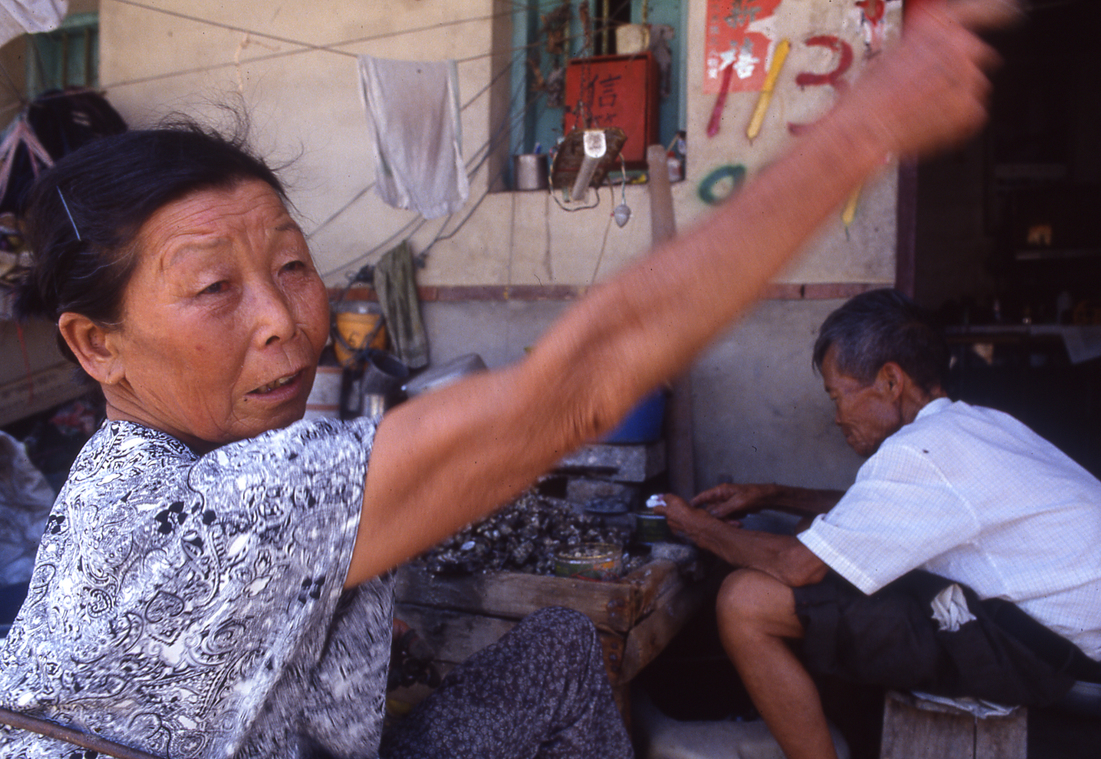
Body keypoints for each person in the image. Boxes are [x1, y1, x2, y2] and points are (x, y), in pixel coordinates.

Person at [0, 1, 1015, 757]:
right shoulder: (216, 506)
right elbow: (575, 388)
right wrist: (862, 128)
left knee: (562, 649)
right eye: (214, 288)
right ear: (97, 346)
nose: (281, 319)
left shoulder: (146, 466)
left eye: (293, 265)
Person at [657, 288, 1101, 759]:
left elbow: (797, 566)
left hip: (1051, 660)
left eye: (838, 396)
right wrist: (772, 494)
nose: (837, 418)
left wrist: (694, 525)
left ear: (891, 381)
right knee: (822, 543)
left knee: (746, 601)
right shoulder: (977, 425)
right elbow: (884, 512)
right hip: (1063, 644)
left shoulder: (919, 451)